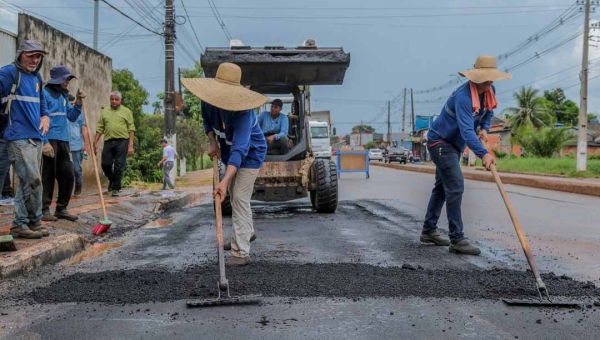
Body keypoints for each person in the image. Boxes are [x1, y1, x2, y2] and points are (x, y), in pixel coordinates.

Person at [420, 55, 510, 255]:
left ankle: (428, 230)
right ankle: (457, 239)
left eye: (491, 78)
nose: (490, 81)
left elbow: (487, 114)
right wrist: (483, 154)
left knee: (443, 188)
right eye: (486, 77)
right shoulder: (463, 97)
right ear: (476, 76)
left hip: (453, 145)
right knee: (455, 187)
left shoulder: (489, 91)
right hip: (440, 142)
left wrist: (485, 128)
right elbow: (467, 131)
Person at [183, 62, 267, 266]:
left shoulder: (243, 113)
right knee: (234, 194)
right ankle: (246, 231)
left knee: (238, 197)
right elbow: (206, 121)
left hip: (251, 154)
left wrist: (222, 181)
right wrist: (213, 142)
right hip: (229, 152)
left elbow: (240, 150)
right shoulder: (208, 101)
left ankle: (241, 252)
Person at [0, 40, 50, 239]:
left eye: (38, 56)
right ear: (20, 54)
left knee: (27, 182)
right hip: (17, 136)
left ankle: (30, 222)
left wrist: (45, 117)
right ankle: (23, 222)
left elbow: (42, 103)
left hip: (35, 136)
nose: (34, 60)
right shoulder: (9, 74)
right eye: (30, 55)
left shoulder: (37, 77)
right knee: (33, 179)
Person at [40, 66, 85, 222]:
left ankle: (61, 209)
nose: (67, 82)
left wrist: (78, 104)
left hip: (64, 141)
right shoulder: (44, 94)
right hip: (49, 139)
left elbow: (71, 117)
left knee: (68, 174)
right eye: (65, 79)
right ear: (57, 80)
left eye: (69, 79)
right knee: (48, 175)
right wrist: (44, 142)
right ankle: (44, 210)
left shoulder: (64, 96)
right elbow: (39, 118)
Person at [93, 91, 135, 197]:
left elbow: (131, 129)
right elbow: (100, 128)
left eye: (116, 99)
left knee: (119, 165)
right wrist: (95, 142)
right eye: (112, 99)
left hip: (122, 141)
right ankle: (112, 179)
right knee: (105, 164)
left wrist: (130, 146)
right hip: (109, 140)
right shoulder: (105, 111)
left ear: (120, 100)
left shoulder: (127, 111)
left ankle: (116, 188)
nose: (114, 101)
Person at [68, 94, 89, 197]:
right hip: (65, 144)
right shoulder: (64, 112)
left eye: (73, 104)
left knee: (76, 168)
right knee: (66, 170)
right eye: (70, 104)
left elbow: (84, 128)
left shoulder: (79, 113)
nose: (72, 106)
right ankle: (66, 190)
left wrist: (86, 144)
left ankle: (79, 185)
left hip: (76, 144)